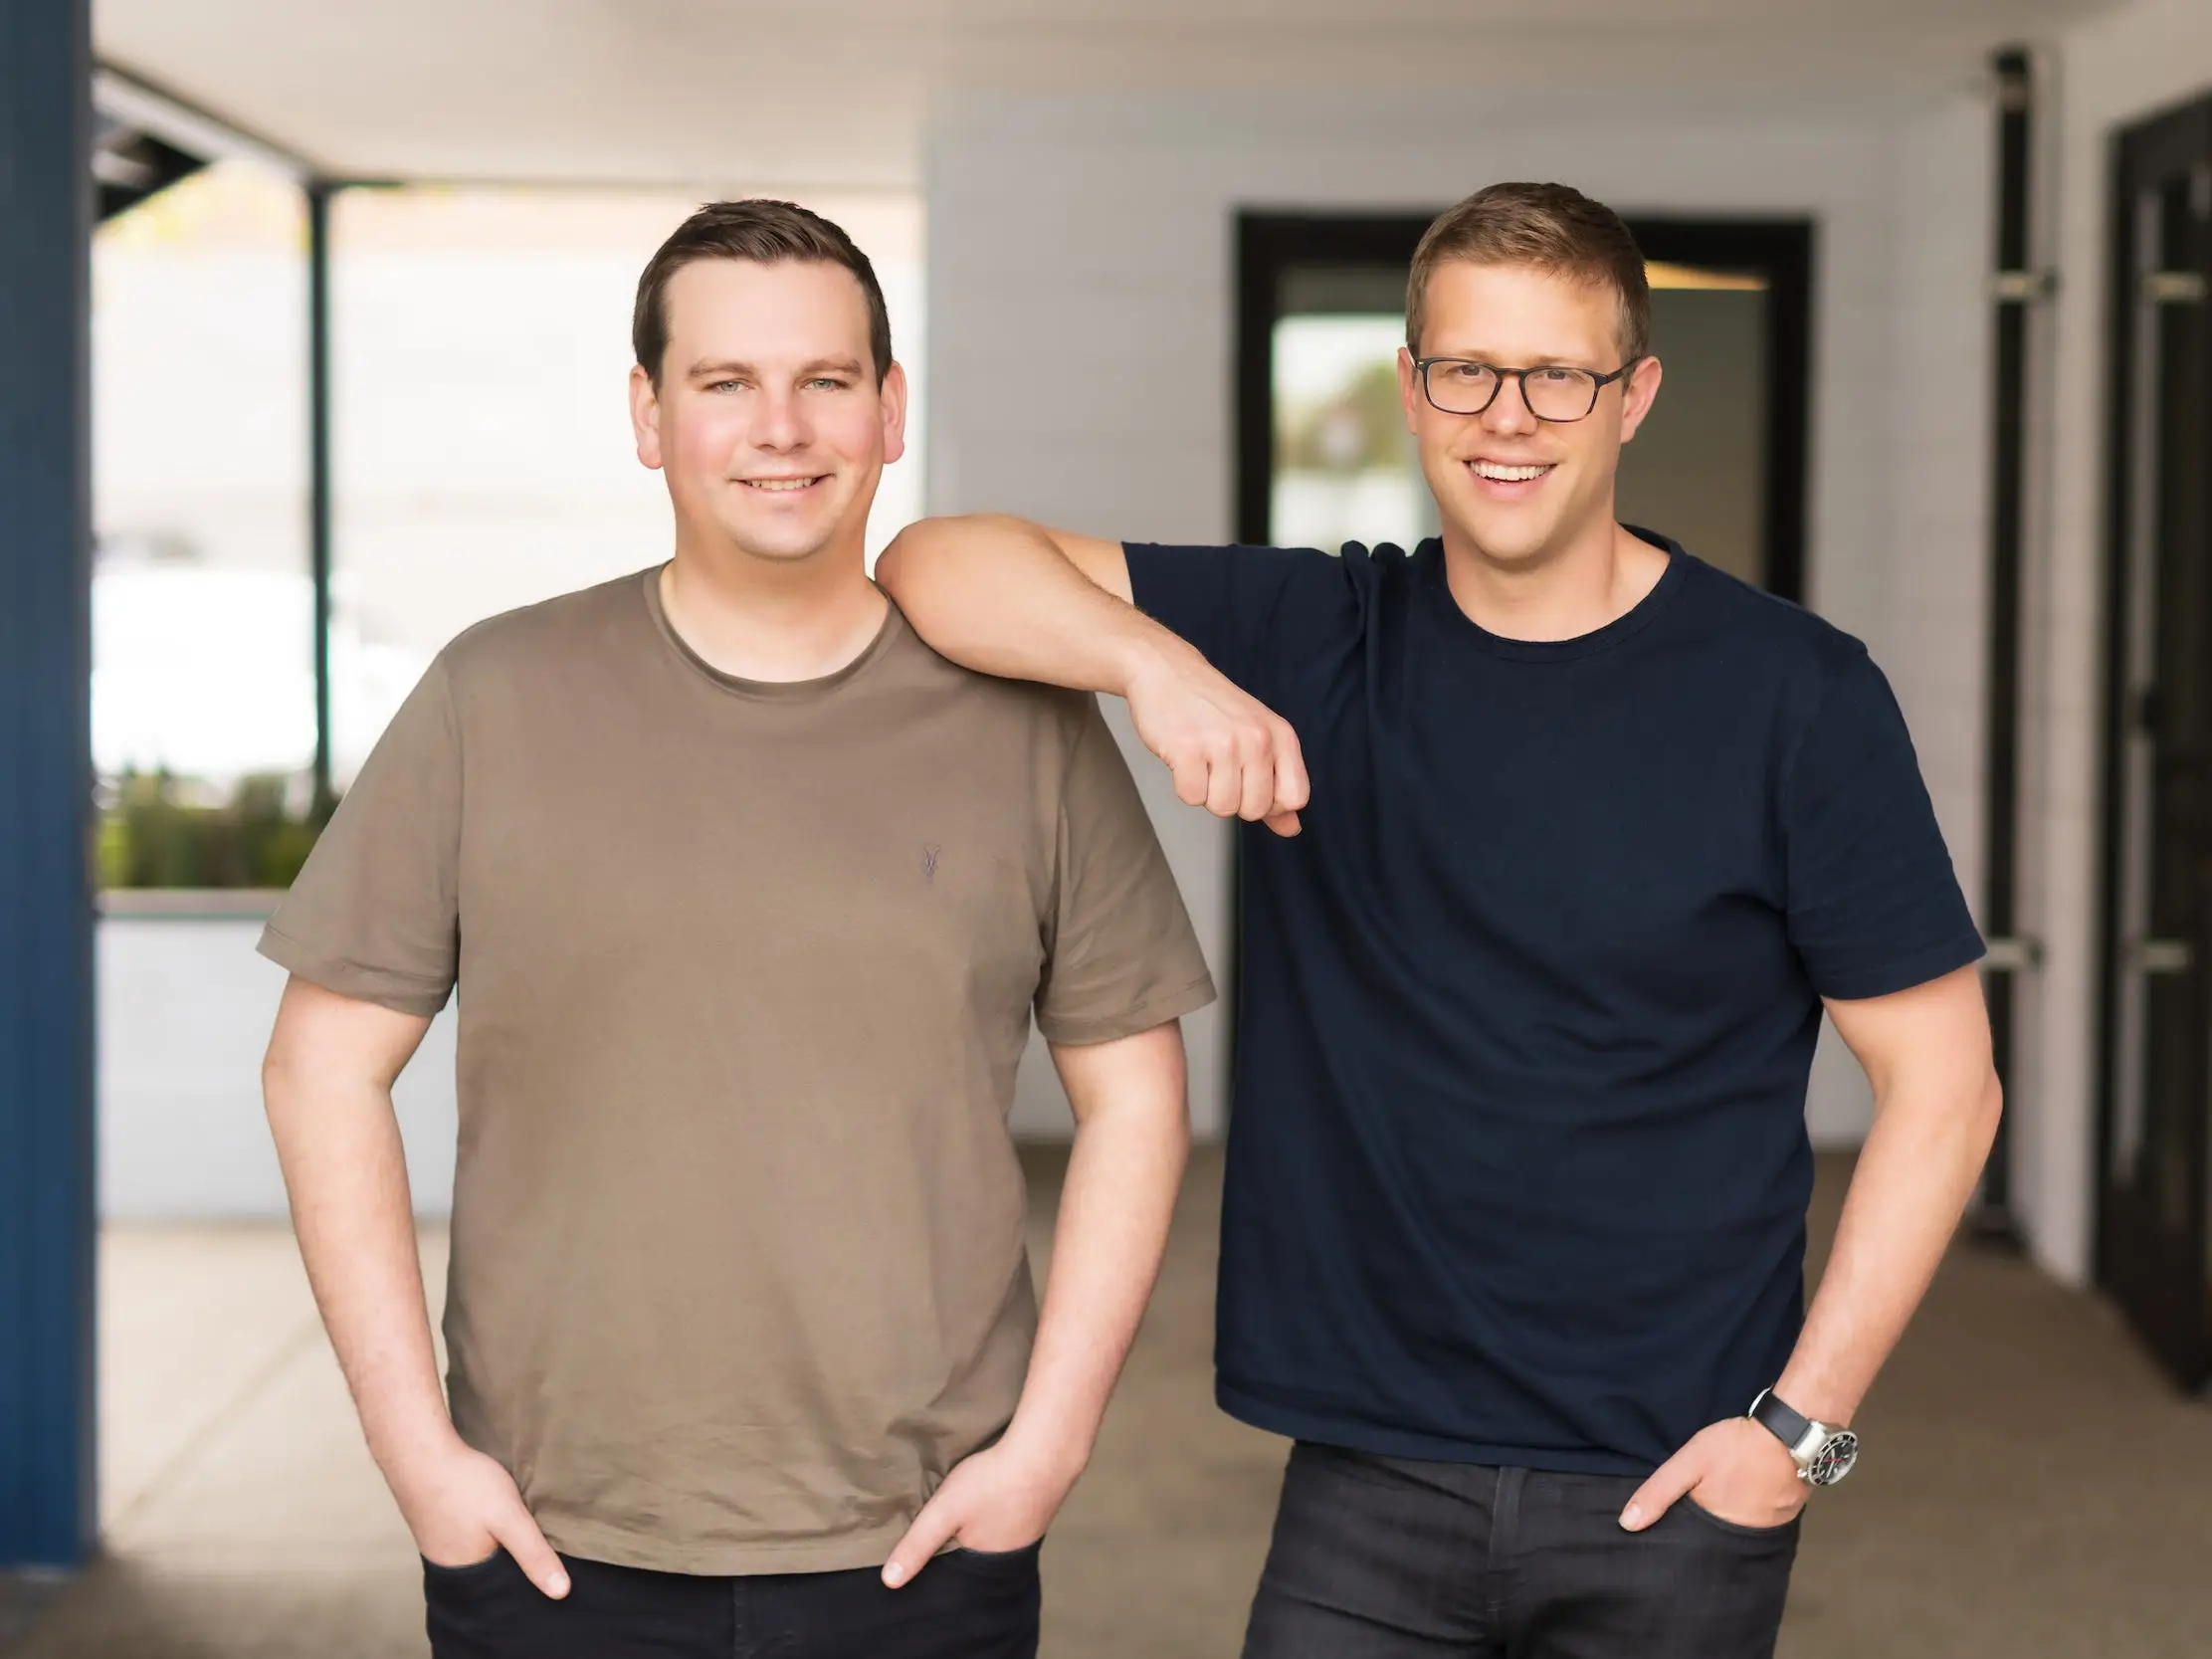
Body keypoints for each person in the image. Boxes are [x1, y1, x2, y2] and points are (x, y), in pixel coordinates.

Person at [876, 180, 2002, 1659]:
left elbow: (1944, 1086)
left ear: (1633, 395)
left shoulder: (1797, 696)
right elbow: (931, 563)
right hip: (1364, 1478)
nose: (1507, 416)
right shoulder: (1312, 631)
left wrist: (1798, 1431)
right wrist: (1157, 668)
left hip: (1675, 1479)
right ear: (1410, 389)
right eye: (1466, 368)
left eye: (1559, 374)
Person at [258, 199, 1215, 1659]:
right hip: (554, 1542)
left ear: (889, 413)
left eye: (826, 380)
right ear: (648, 416)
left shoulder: (1030, 722)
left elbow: (1136, 1094)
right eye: (724, 384)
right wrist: (419, 1457)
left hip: (924, 1543)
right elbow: (320, 1066)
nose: (782, 427)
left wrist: (1049, 1448)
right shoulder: (490, 697)